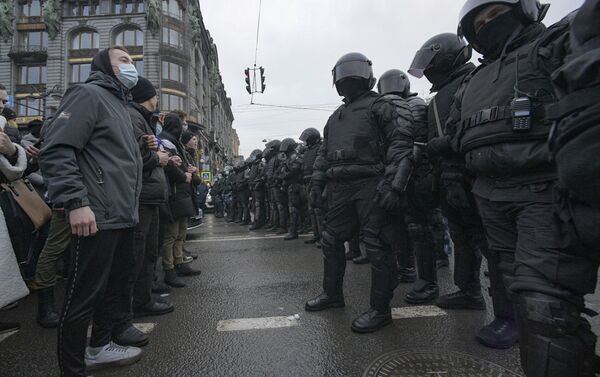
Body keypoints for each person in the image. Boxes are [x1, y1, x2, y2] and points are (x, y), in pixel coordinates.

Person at [451, 0, 597, 373]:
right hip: (488, 193)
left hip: (544, 190)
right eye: (478, 23)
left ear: (525, 10)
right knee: (516, 286)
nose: (487, 25)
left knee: (544, 307)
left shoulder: (552, 44)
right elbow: (457, 133)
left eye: (496, 15)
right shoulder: (472, 80)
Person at [39, 47, 143, 376]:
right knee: (83, 295)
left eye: (133, 61)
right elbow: (57, 149)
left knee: (113, 288)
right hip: (94, 214)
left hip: (121, 214)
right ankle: (72, 368)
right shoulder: (87, 94)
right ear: (104, 66)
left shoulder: (120, 105)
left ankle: (99, 347)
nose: (132, 66)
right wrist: (76, 202)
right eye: (124, 60)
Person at [305, 52, 414, 333]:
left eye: (354, 71)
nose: (349, 78)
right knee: (330, 240)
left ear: (368, 75)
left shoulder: (381, 106)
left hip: (371, 183)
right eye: (344, 73)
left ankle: (380, 310)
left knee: (377, 246)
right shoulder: (335, 116)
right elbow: (323, 155)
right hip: (340, 186)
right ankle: (332, 295)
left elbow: (401, 146)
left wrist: (395, 185)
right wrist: (317, 184)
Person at [408, 33, 487, 311]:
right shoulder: (443, 92)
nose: (428, 73)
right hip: (450, 176)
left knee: (492, 242)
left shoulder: (474, 80)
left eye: (430, 67)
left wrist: (441, 145)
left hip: (475, 173)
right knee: (462, 235)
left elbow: (475, 130)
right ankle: (470, 291)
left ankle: (512, 316)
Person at [115, 76, 174, 347]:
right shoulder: (132, 117)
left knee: (148, 252)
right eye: (155, 94)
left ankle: (142, 299)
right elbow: (129, 156)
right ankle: (123, 316)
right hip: (139, 197)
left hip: (149, 196)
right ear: (147, 96)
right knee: (134, 256)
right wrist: (157, 159)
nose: (158, 98)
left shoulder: (143, 118)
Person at [377, 69, 438, 304]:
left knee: (420, 229)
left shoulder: (415, 104)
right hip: (402, 172)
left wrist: (399, 182)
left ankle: (429, 283)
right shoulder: (398, 105)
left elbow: (417, 144)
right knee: (404, 226)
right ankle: (408, 270)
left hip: (418, 173)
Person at [159, 113, 201, 288]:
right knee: (171, 235)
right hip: (174, 193)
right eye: (182, 125)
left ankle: (179, 262)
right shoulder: (166, 141)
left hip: (182, 194)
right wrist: (185, 174)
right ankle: (169, 268)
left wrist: (189, 170)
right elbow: (170, 166)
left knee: (180, 232)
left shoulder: (175, 143)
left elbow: (179, 164)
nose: (184, 127)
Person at [299, 128, 323, 246]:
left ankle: (323, 238)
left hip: (316, 182)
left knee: (319, 211)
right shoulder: (308, 150)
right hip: (307, 182)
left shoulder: (319, 149)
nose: (305, 142)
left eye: (306, 140)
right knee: (311, 211)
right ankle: (316, 235)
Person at [279, 138, 305, 241]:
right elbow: (283, 173)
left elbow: (294, 169)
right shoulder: (289, 158)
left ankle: (295, 230)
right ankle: (296, 229)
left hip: (297, 185)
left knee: (296, 209)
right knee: (294, 209)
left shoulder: (295, 157)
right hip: (292, 186)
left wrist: (286, 173)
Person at [248, 149, 266, 230]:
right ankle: (257, 220)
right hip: (254, 188)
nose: (253, 157)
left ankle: (258, 222)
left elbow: (262, 176)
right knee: (255, 205)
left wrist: (257, 184)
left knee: (258, 205)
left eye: (254, 155)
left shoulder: (260, 164)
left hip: (258, 188)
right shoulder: (253, 165)